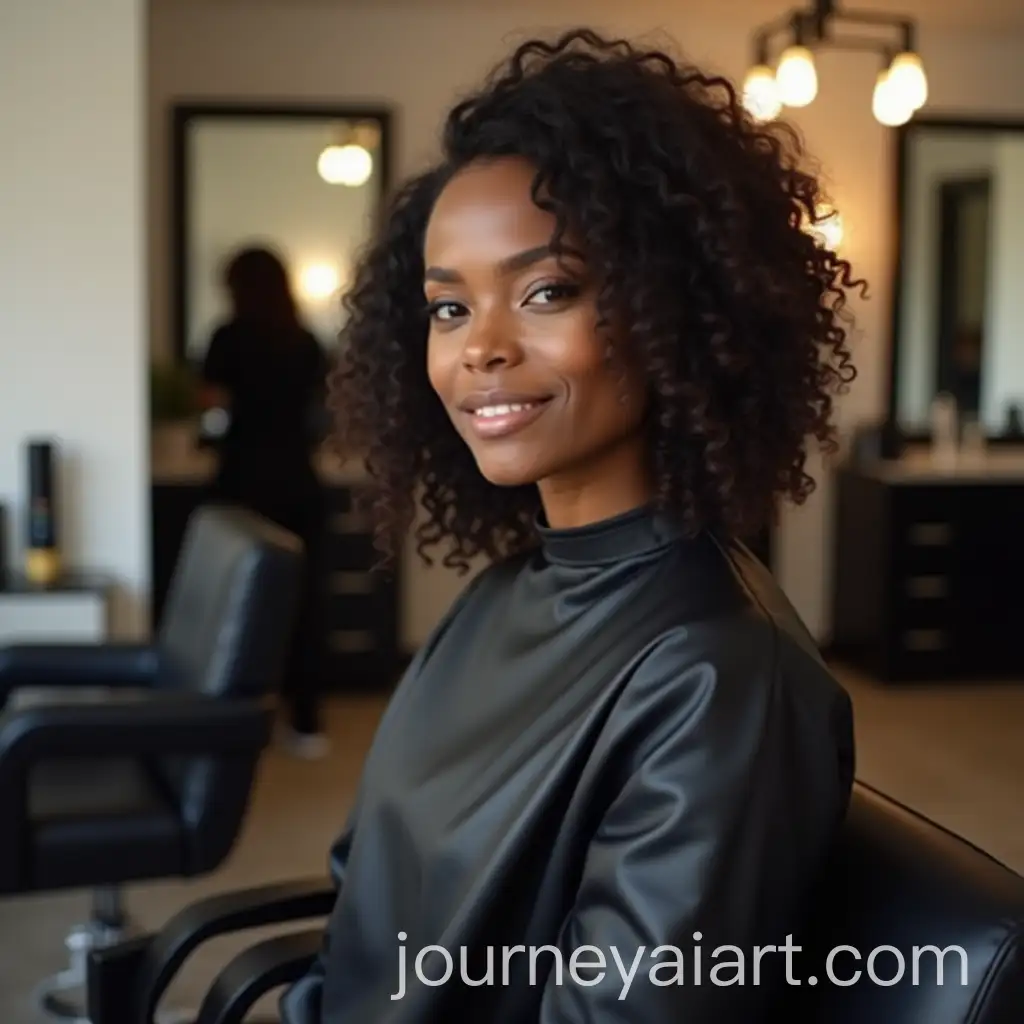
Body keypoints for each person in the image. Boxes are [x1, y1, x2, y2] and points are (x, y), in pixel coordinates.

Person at [282, 28, 862, 1021]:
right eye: (448, 309)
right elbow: (366, 886)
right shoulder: (498, 597)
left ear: (673, 307)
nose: (481, 351)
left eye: (547, 291)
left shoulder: (717, 678)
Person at [199, 245, 331, 757]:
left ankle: (235, 720)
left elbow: (210, 403)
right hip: (298, 482)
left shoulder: (227, 337)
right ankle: (307, 724)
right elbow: (319, 410)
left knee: (236, 603)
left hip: (242, 483)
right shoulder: (304, 341)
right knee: (304, 605)